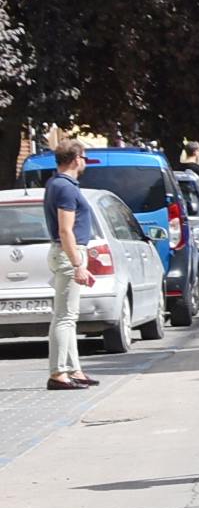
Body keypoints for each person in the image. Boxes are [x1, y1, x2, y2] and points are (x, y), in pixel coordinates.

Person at [41, 138, 102, 391]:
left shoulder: (58, 184)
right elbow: (66, 230)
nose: (85, 161)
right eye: (84, 157)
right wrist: (78, 263)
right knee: (65, 317)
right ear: (76, 158)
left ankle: (73, 369)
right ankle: (58, 374)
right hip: (69, 253)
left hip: (67, 253)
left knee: (68, 316)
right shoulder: (65, 188)